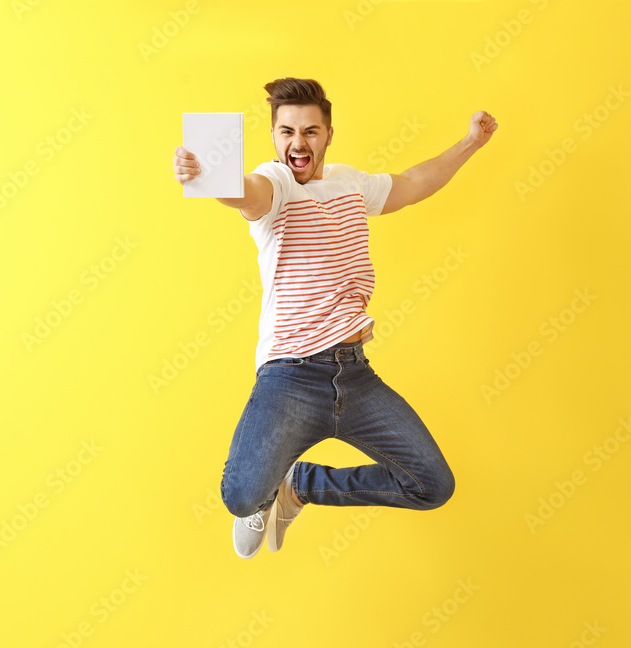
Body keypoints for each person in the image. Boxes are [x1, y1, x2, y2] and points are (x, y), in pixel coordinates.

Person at [172, 77, 498, 558]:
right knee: (239, 497)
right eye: (286, 132)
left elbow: (411, 185)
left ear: (328, 134)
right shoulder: (276, 182)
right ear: (274, 136)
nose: (297, 144)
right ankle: (266, 493)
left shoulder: (349, 183)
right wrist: (210, 177)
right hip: (291, 378)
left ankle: (300, 484)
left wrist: (472, 142)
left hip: (355, 375)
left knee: (432, 485)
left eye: (309, 132)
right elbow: (249, 194)